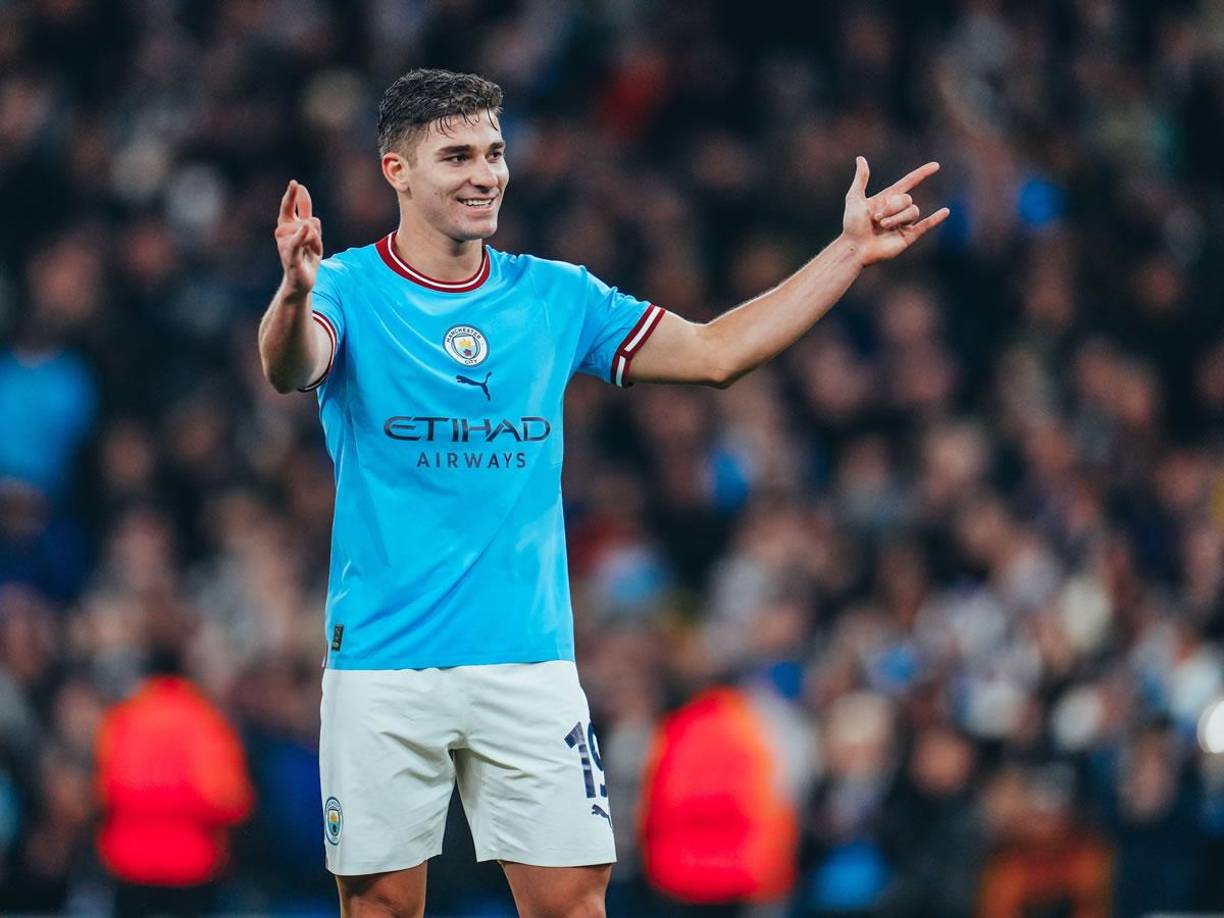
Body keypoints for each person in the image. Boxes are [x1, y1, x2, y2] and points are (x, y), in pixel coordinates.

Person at [256, 67, 947, 917]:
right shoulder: (348, 288)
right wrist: (293, 290)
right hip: (384, 666)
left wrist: (846, 254)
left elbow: (715, 355)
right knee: (381, 909)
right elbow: (291, 364)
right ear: (397, 170)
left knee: (575, 907)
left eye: (496, 153)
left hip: (529, 661)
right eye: (458, 155)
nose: (486, 174)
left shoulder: (556, 294)